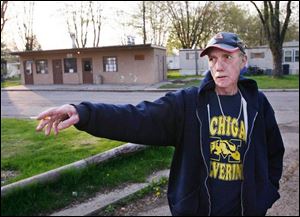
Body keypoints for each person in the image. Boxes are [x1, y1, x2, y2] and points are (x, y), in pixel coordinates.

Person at [36, 32, 284, 216]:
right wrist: (85, 113)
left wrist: (265, 195)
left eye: (227, 57)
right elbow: (137, 117)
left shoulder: (256, 105)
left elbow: (274, 152)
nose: (218, 66)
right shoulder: (188, 104)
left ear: (243, 60)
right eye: (213, 59)